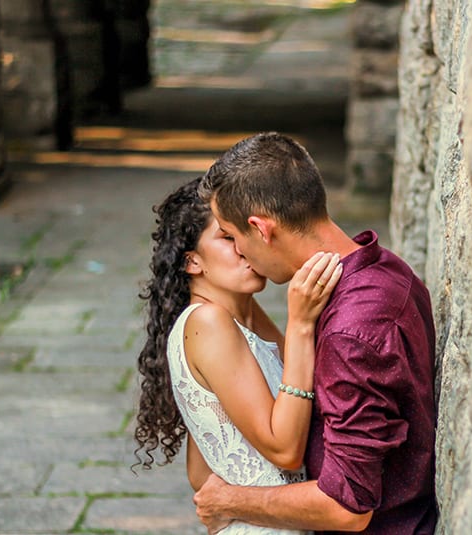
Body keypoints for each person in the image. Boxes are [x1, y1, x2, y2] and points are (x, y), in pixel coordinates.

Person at [194, 132, 438, 534]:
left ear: (261, 228)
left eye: (234, 237)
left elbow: (346, 507)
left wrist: (230, 501)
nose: (239, 253)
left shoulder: (352, 332)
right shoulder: (387, 267)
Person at [134, 177, 343, 534]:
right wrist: (302, 325)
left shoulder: (245, 314)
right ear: (193, 262)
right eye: (227, 237)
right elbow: (285, 450)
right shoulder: (208, 322)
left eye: (243, 232)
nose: (243, 246)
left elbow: (201, 471)